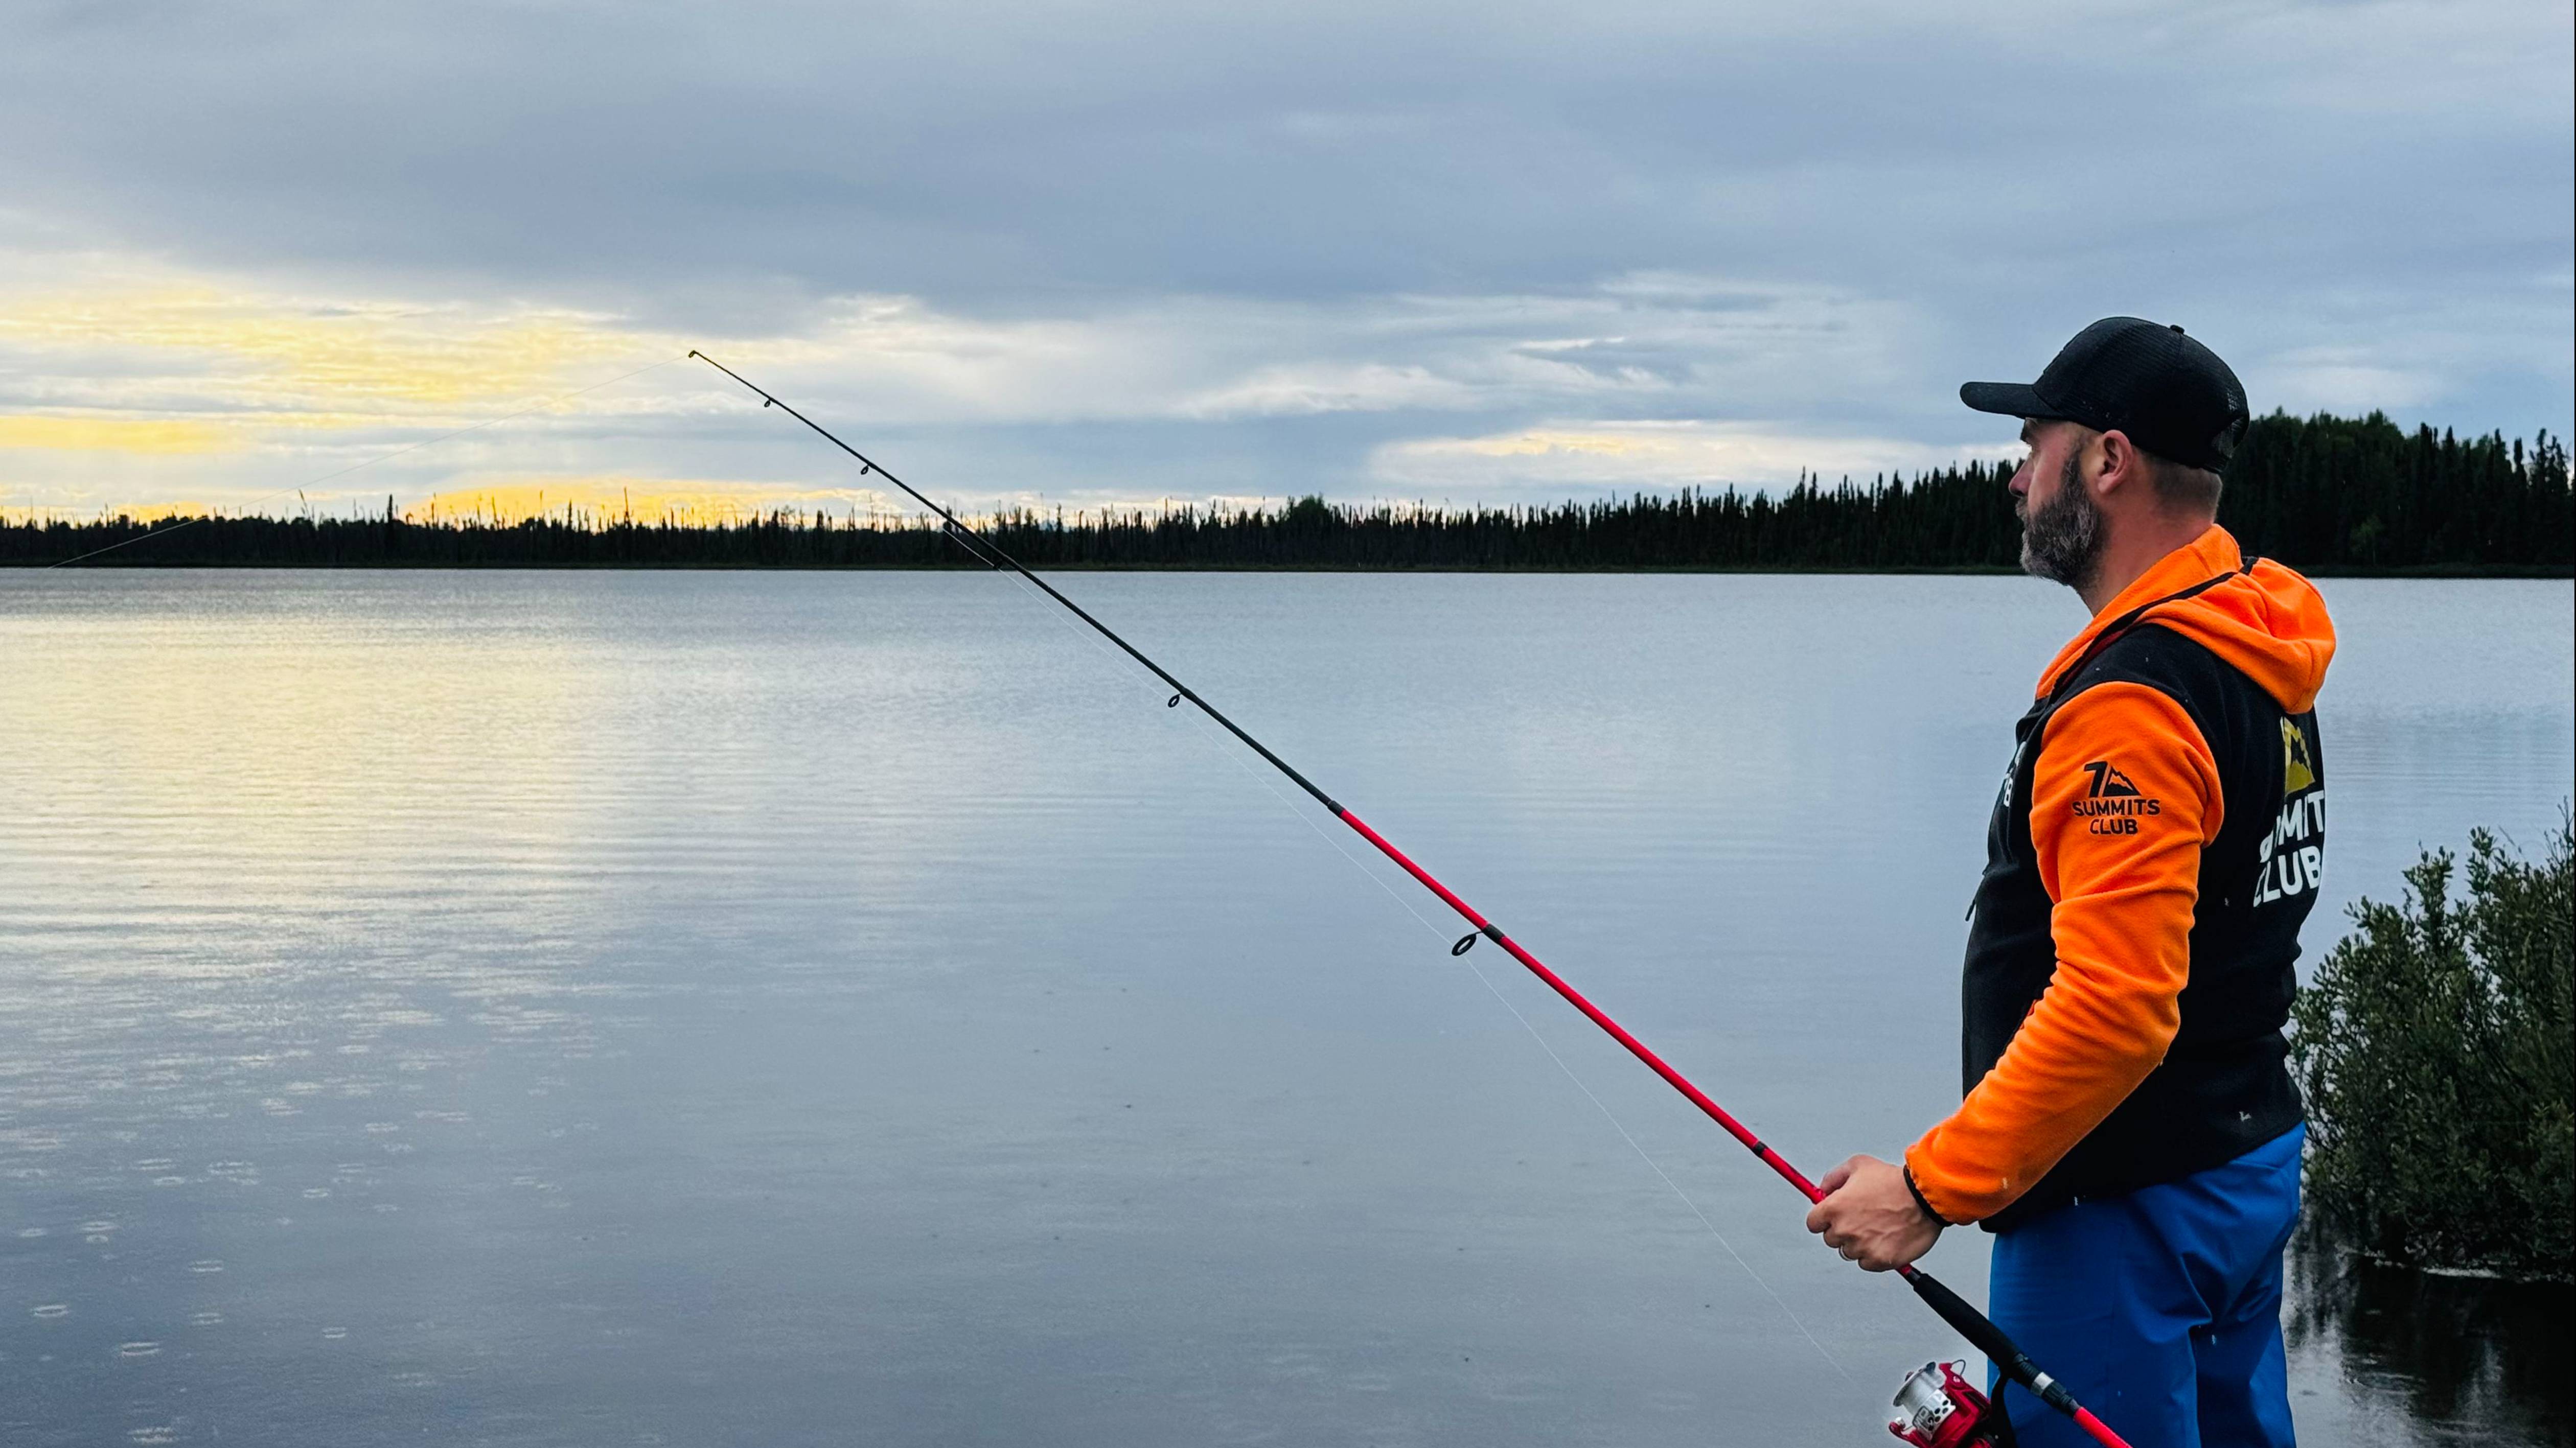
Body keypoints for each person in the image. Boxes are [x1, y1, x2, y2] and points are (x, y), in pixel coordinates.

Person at [1803, 318, 2336, 1447]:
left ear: (2107, 461)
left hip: (2122, 1210)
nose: (2014, 472)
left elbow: (2116, 1006)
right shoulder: (2250, 646)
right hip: (2237, 1166)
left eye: (2033, 441)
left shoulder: (2136, 705)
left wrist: (1930, 1187)